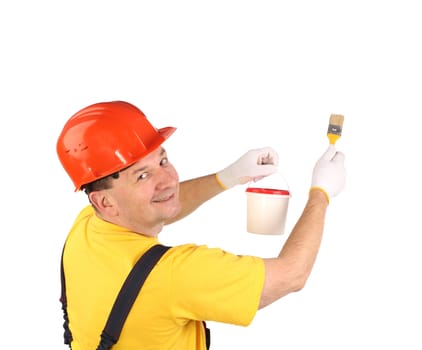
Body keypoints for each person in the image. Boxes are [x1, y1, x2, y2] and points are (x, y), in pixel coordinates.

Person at [56, 100, 346, 350]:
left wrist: (228, 177)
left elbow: (157, 209)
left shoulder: (87, 226)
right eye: (142, 176)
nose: (167, 179)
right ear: (104, 201)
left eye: (163, 160)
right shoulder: (175, 274)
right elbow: (291, 275)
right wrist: (320, 194)